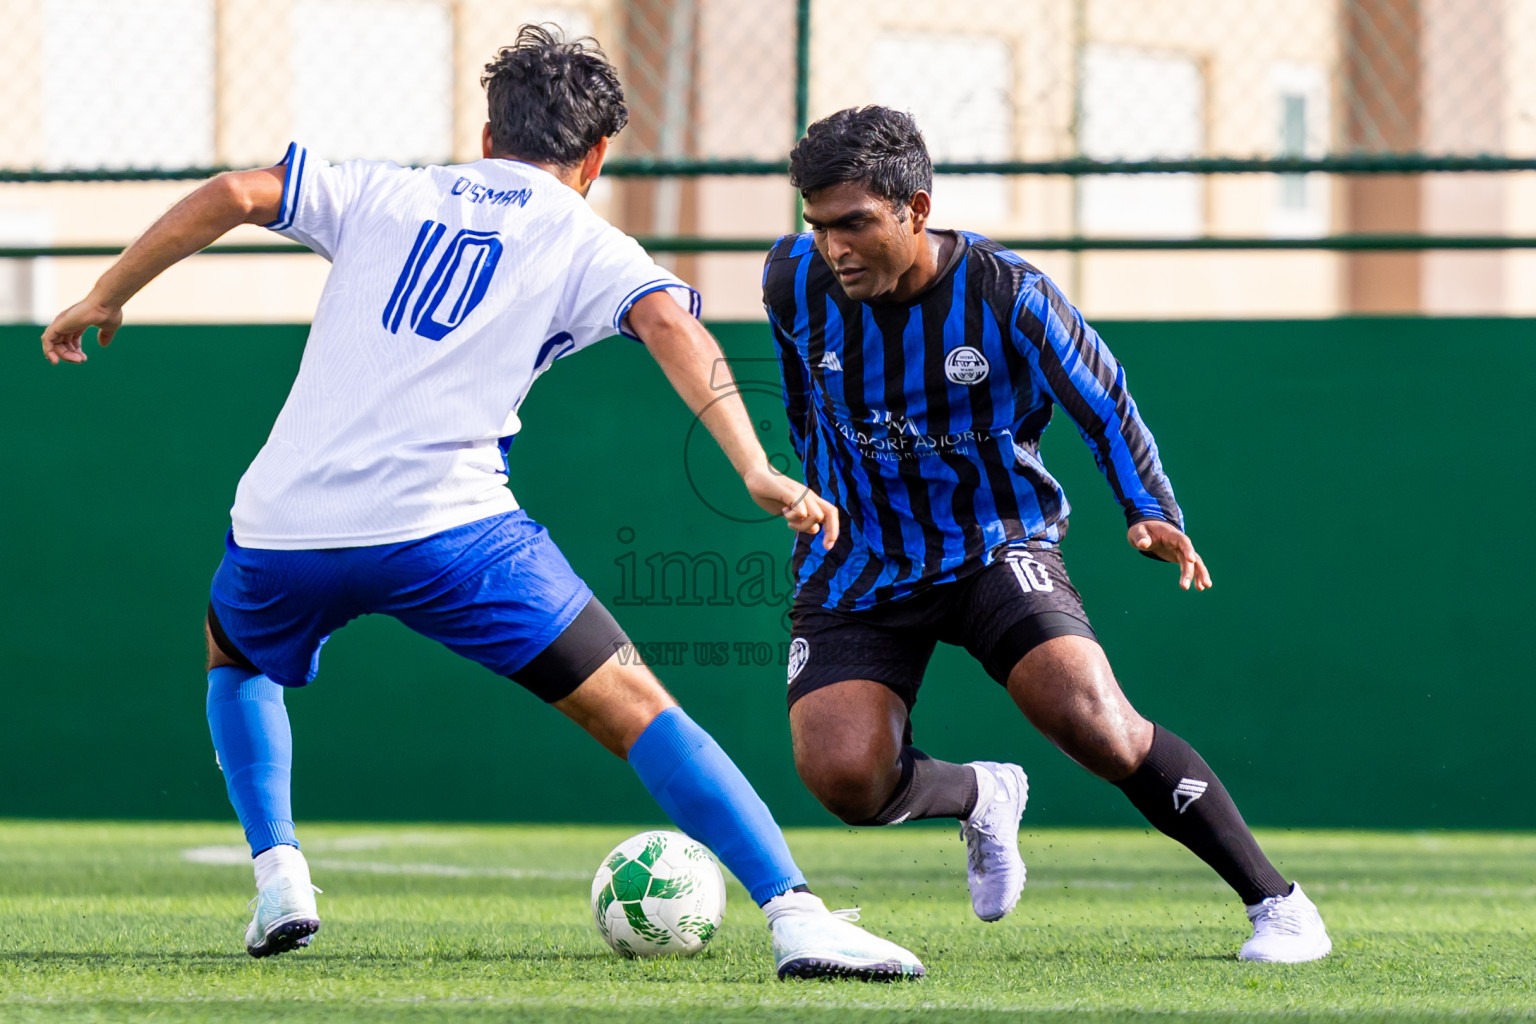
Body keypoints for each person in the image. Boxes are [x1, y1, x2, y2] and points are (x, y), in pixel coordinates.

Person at [39, 28, 925, 981]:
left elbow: (234, 192)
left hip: (285, 526)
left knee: (237, 658)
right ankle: (794, 915)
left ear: (490, 132)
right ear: (595, 156)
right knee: (638, 709)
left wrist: (105, 293)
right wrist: (753, 466)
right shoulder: (584, 236)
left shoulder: (383, 189)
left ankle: (279, 871)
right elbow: (668, 320)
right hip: (451, 533)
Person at [761, 105, 1331, 963]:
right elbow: (804, 400)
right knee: (846, 780)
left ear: (916, 209)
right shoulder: (791, 280)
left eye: (855, 224)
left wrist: (1149, 508)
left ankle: (1279, 905)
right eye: (818, 225)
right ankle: (981, 795)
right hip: (860, 560)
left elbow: (1105, 401)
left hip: (994, 542)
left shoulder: (1008, 294)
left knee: (1095, 722)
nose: (834, 247)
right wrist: (814, 490)